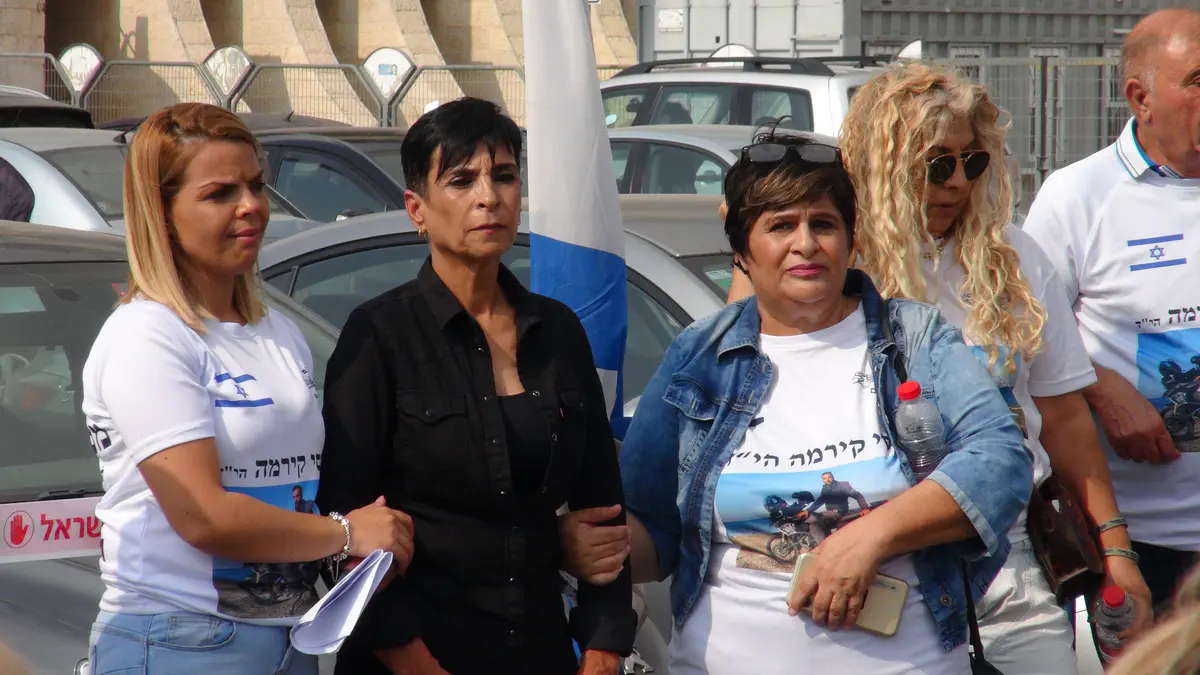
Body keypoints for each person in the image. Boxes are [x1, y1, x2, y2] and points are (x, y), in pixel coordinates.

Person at [573, 131, 1033, 674]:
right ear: (742, 252)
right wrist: (580, 544)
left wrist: (871, 537)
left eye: (824, 224)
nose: (806, 243)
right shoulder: (699, 355)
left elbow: (1001, 462)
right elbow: (653, 532)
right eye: (781, 226)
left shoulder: (915, 338)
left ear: (851, 240)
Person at [837, 62, 1153, 671]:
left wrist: (1116, 552)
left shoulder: (1013, 258)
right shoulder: (837, 267)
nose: (957, 181)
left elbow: (1064, 420)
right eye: (936, 164)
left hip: (1009, 559)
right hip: (880, 565)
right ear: (883, 166)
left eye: (972, 161)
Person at [81, 103, 414, 675]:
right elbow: (204, 517)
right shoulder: (147, 334)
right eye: (219, 193)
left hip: (289, 639)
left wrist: (359, 547)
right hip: (179, 640)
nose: (251, 206)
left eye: (256, 186)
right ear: (162, 213)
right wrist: (344, 533)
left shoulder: (279, 331)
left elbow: (299, 490)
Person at [317, 97, 635, 675]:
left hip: (538, 650)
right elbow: (346, 528)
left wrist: (603, 649)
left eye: (505, 176)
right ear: (416, 208)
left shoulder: (558, 331)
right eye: (462, 181)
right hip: (412, 657)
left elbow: (603, 515)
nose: (489, 197)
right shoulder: (380, 335)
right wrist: (414, 664)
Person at [1022, 8, 1200, 614]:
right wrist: (1099, 386)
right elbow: (1025, 333)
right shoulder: (1078, 195)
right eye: (1198, 79)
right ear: (1140, 98)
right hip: (1141, 541)